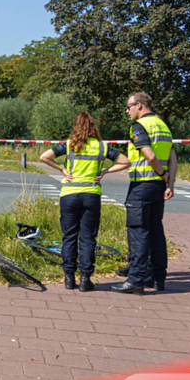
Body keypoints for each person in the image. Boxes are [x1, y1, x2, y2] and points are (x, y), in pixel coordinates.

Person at [41, 112, 131, 292]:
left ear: (75, 127)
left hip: (69, 194)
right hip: (91, 194)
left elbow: (44, 156)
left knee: (69, 237)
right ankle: (85, 279)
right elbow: (126, 162)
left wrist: (62, 170)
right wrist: (105, 171)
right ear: (93, 128)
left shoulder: (69, 145)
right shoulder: (101, 147)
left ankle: (68, 278)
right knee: (88, 238)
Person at [112, 93, 176, 295]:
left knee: (138, 230)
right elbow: (173, 157)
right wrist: (169, 182)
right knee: (156, 231)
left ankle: (135, 280)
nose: (127, 110)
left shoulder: (139, 126)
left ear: (139, 105)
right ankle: (158, 277)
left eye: (129, 106)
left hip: (142, 185)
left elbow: (150, 155)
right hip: (158, 186)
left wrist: (161, 172)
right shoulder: (163, 125)